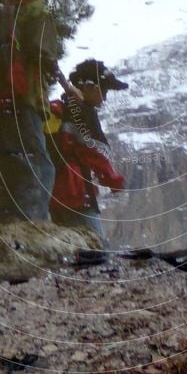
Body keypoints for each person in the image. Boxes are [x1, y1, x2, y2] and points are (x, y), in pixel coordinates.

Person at [0, 0, 65, 223]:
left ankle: (7, 228)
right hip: (25, 99)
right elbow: (43, 54)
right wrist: (62, 80)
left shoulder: (1, 13)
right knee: (39, 168)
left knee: (8, 167)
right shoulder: (38, 14)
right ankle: (30, 232)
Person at [47, 59, 128, 243]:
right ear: (89, 87)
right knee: (95, 246)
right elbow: (95, 154)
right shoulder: (83, 113)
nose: (105, 98)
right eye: (104, 90)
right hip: (75, 192)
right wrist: (114, 182)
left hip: (52, 193)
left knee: (68, 246)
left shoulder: (58, 109)